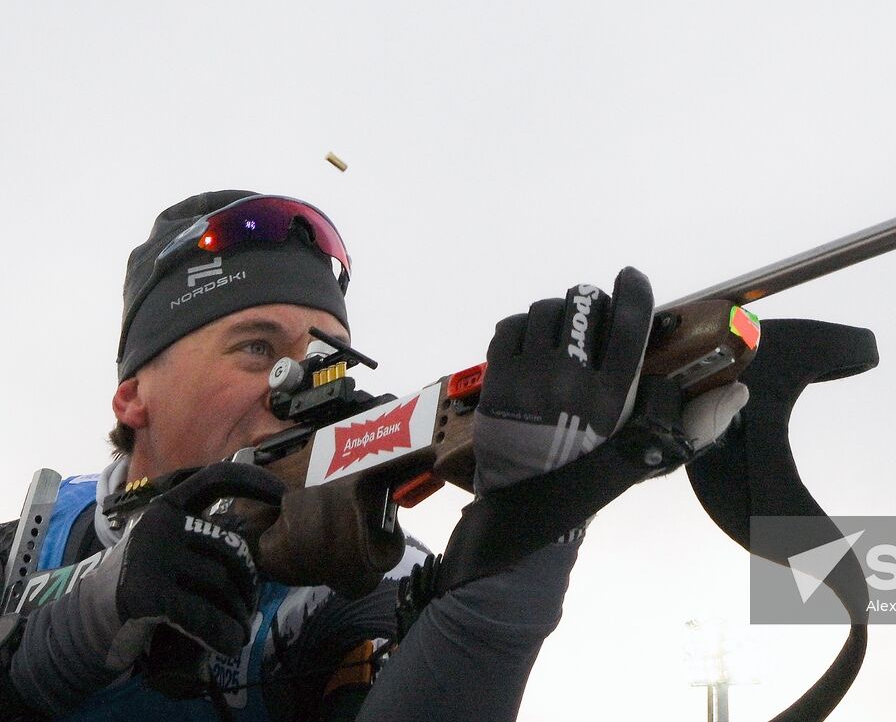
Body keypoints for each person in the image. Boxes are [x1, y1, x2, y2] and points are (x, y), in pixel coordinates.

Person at [0, 191, 746, 722]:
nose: (290, 386)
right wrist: (99, 604)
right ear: (133, 396)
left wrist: (527, 532)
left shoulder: (356, 571)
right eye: (257, 348)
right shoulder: (26, 546)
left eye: (322, 360)